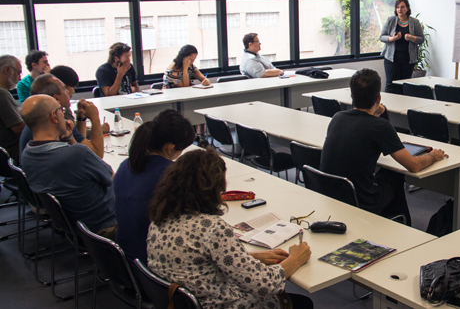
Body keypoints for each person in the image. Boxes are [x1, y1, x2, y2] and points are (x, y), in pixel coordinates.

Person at [147, 149, 313, 309]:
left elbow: (194, 260)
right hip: (217, 304)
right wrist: (296, 258)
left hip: (180, 301)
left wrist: (250, 257)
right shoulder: (211, 228)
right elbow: (265, 285)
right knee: (301, 302)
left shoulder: (159, 218)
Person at [320, 68, 447, 225]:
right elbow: (413, 166)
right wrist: (433, 155)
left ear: (351, 96)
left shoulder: (337, 118)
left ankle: (396, 219)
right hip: (362, 199)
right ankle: (402, 221)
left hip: (331, 194)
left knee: (385, 173)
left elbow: (361, 128)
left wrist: (374, 114)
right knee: (396, 174)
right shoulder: (380, 126)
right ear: (379, 98)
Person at [20, 95, 117, 239]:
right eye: (61, 110)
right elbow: (114, 180)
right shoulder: (77, 154)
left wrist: (69, 138)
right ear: (54, 116)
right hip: (108, 225)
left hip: (77, 228)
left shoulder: (27, 155)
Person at [114, 109, 195, 265]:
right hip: (152, 265)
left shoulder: (126, 165)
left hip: (124, 261)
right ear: (170, 148)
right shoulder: (172, 175)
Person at [18, 74, 105, 162]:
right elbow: (96, 155)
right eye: (64, 89)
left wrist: (80, 117)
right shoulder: (55, 122)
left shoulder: (38, 120)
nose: (68, 92)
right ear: (56, 98)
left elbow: (80, 143)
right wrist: (94, 118)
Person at [379, 0, 424, 94]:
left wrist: (411, 37)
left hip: (408, 60)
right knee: (391, 85)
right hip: (391, 59)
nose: (400, 9)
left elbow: (421, 39)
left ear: (407, 8)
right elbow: (382, 37)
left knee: (404, 85)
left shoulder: (415, 22)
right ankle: (389, 107)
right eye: (398, 7)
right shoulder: (391, 20)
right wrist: (392, 39)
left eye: (402, 7)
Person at [50, 65, 110, 135]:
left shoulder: (64, 108)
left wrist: (81, 117)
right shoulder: (56, 113)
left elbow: (76, 132)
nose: (73, 92)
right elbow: (75, 136)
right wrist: (97, 126)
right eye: (72, 87)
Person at [0, 55, 25, 163]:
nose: (19, 78)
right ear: (7, 70)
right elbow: (18, 128)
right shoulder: (2, 94)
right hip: (13, 152)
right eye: (18, 73)